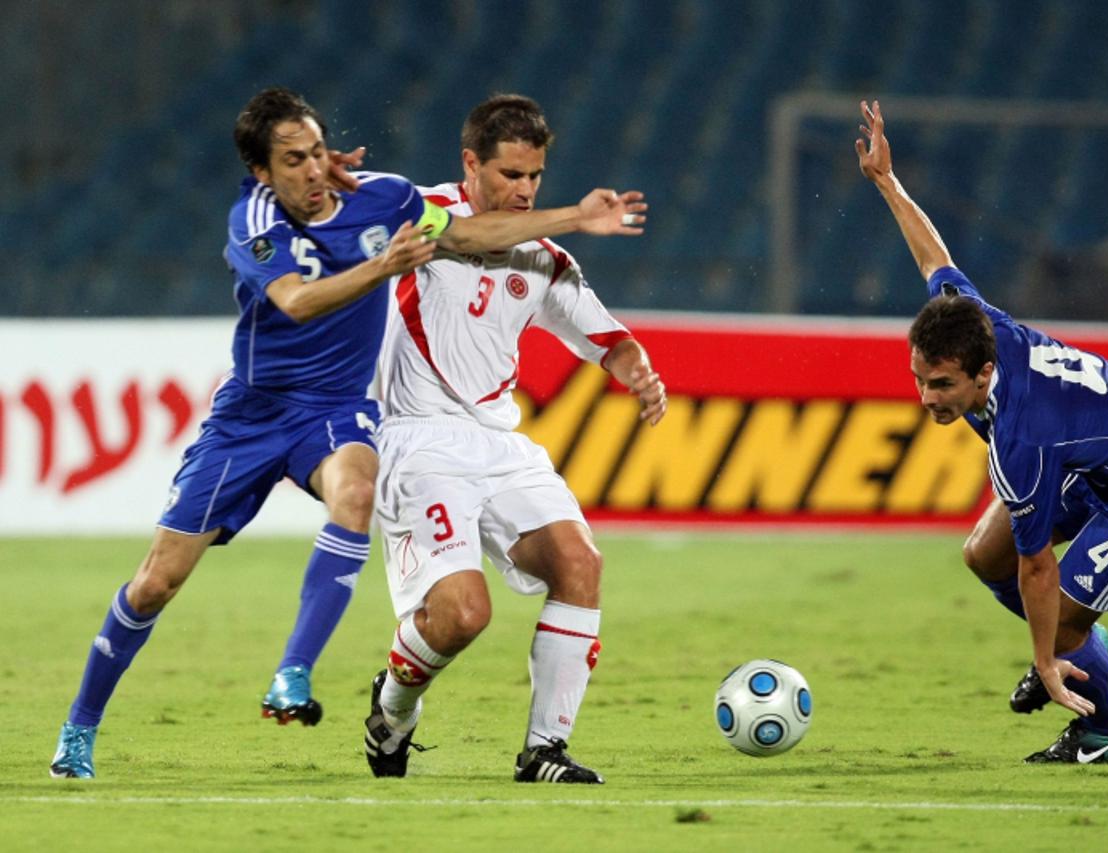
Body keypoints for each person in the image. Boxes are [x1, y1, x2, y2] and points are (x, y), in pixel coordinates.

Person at [49, 87, 646, 779]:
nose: (308, 171)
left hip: (335, 411)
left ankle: (294, 674)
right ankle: (79, 728)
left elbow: (462, 233)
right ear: (262, 173)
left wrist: (575, 217)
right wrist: (382, 267)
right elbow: (296, 303)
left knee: (357, 490)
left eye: (314, 154)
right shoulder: (252, 221)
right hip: (250, 416)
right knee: (155, 582)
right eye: (291, 160)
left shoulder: (384, 199)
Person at [855, 100, 1108, 763]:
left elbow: (1037, 566)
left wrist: (1042, 659)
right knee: (982, 554)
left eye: (941, 386)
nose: (925, 398)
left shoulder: (1022, 439)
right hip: (1098, 453)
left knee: (1061, 611)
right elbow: (933, 258)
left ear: (983, 374)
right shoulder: (968, 317)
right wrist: (886, 181)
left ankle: (1106, 726)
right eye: (919, 379)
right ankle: (1079, 650)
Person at [360, 94, 666, 784]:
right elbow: (473, 237)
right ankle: (392, 705)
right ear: (469, 163)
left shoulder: (547, 260)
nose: (524, 189)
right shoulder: (416, 212)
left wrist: (639, 372)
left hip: (500, 443)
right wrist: (579, 216)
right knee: (463, 614)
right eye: (509, 174)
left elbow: (607, 337)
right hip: (421, 441)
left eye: (534, 176)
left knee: (580, 564)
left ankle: (544, 750)